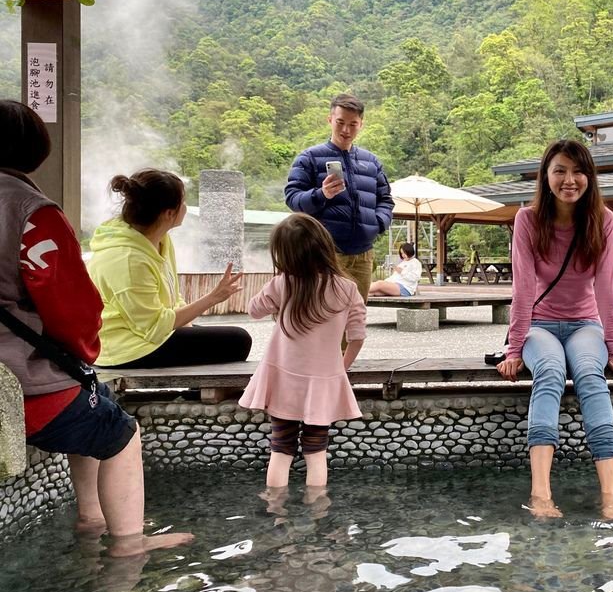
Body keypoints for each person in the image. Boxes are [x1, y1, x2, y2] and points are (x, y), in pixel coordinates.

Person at [0, 100, 192, 555]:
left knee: (93, 402)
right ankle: (128, 542)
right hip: (19, 381)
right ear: (36, 150)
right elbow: (74, 309)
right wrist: (83, 353)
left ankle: (91, 515)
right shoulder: (32, 213)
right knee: (121, 433)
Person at [495, 139, 613, 521]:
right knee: (550, 371)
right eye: (560, 170)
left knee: (592, 374)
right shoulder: (527, 219)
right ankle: (540, 494)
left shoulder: (603, 219)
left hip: (584, 324)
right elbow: (523, 289)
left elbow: (606, 288)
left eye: (578, 171)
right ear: (546, 176)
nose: (569, 180)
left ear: (589, 177)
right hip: (539, 324)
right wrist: (513, 350)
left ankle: (611, 494)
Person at [239, 213, 366, 489]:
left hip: (283, 381)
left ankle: (276, 512)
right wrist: (341, 368)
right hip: (322, 384)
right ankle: (317, 512)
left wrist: (278, 281)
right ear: (324, 246)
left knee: (281, 449)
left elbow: (253, 310)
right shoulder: (348, 289)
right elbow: (357, 337)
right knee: (316, 452)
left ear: (283, 255)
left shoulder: (281, 284)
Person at [87, 170, 252, 369]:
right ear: (169, 213)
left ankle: (196, 391)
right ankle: (194, 394)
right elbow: (154, 327)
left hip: (148, 333)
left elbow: (172, 298)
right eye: (183, 202)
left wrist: (187, 326)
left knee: (228, 339)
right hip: (126, 348)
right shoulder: (128, 260)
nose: (186, 207)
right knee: (238, 340)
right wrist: (212, 298)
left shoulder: (160, 240)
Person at [284, 93, 394, 302]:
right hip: (326, 253)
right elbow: (292, 197)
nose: (346, 130)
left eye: (353, 124)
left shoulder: (371, 162)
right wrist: (321, 194)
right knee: (325, 316)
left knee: (356, 318)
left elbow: (385, 199)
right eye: (340, 122)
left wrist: (378, 224)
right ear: (330, 120)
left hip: (363, 255)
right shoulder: (309, 157)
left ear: (361, 124)